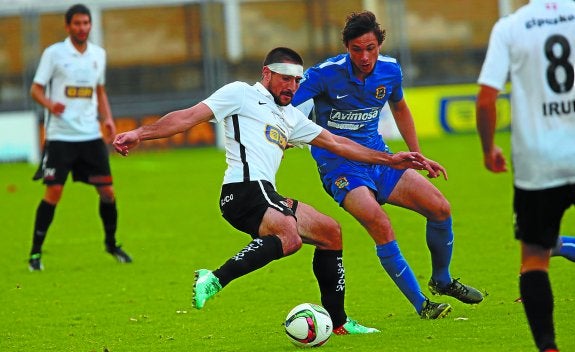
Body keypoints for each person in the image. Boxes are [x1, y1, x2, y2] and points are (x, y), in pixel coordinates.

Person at [113, 47, 442, 334]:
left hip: (265, 193)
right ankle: (213, 278)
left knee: (330, 232)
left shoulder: (290, 117)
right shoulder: (241, 94)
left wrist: (391, 159)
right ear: (267, 74)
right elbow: (188, 117)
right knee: (289, 236)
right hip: (242, 191)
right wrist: (140, 134)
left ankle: (339, 323)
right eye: (286, 78)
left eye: (297, 80)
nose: (292, 86)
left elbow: (338, 143)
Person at [291, 11, 484, 319]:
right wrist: (286, 131)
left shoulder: (390, 70)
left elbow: (400, 106)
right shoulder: (324, 74)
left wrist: (416, 155)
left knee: (440, 208)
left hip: (380, 159)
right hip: (340, 167)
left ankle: (442, 279)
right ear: (347, 48)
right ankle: (422, 304)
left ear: (379, 44)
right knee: (380, 224)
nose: (364, 56)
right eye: (356, 49)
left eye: (370, 48)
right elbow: (286, 104)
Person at [476, 1, 575, 350]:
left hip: (538, 161)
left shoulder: (511, 26)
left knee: (535, 258)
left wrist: (489, 150)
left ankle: (548, 347)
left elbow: (487, 99)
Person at [28, 3, 132, 271]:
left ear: (90, 25)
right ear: (67, 26)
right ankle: (35, 254)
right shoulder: (54, 54)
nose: (82, 28)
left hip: (89, 135)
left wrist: (107, 118)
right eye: (77, 24)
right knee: (54, 192)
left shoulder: (99, 54)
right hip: (60, 136)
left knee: (108, 192)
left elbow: (100, 91)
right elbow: (35, 90)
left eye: (86, 23)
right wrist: (51, 105)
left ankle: (111, 243)